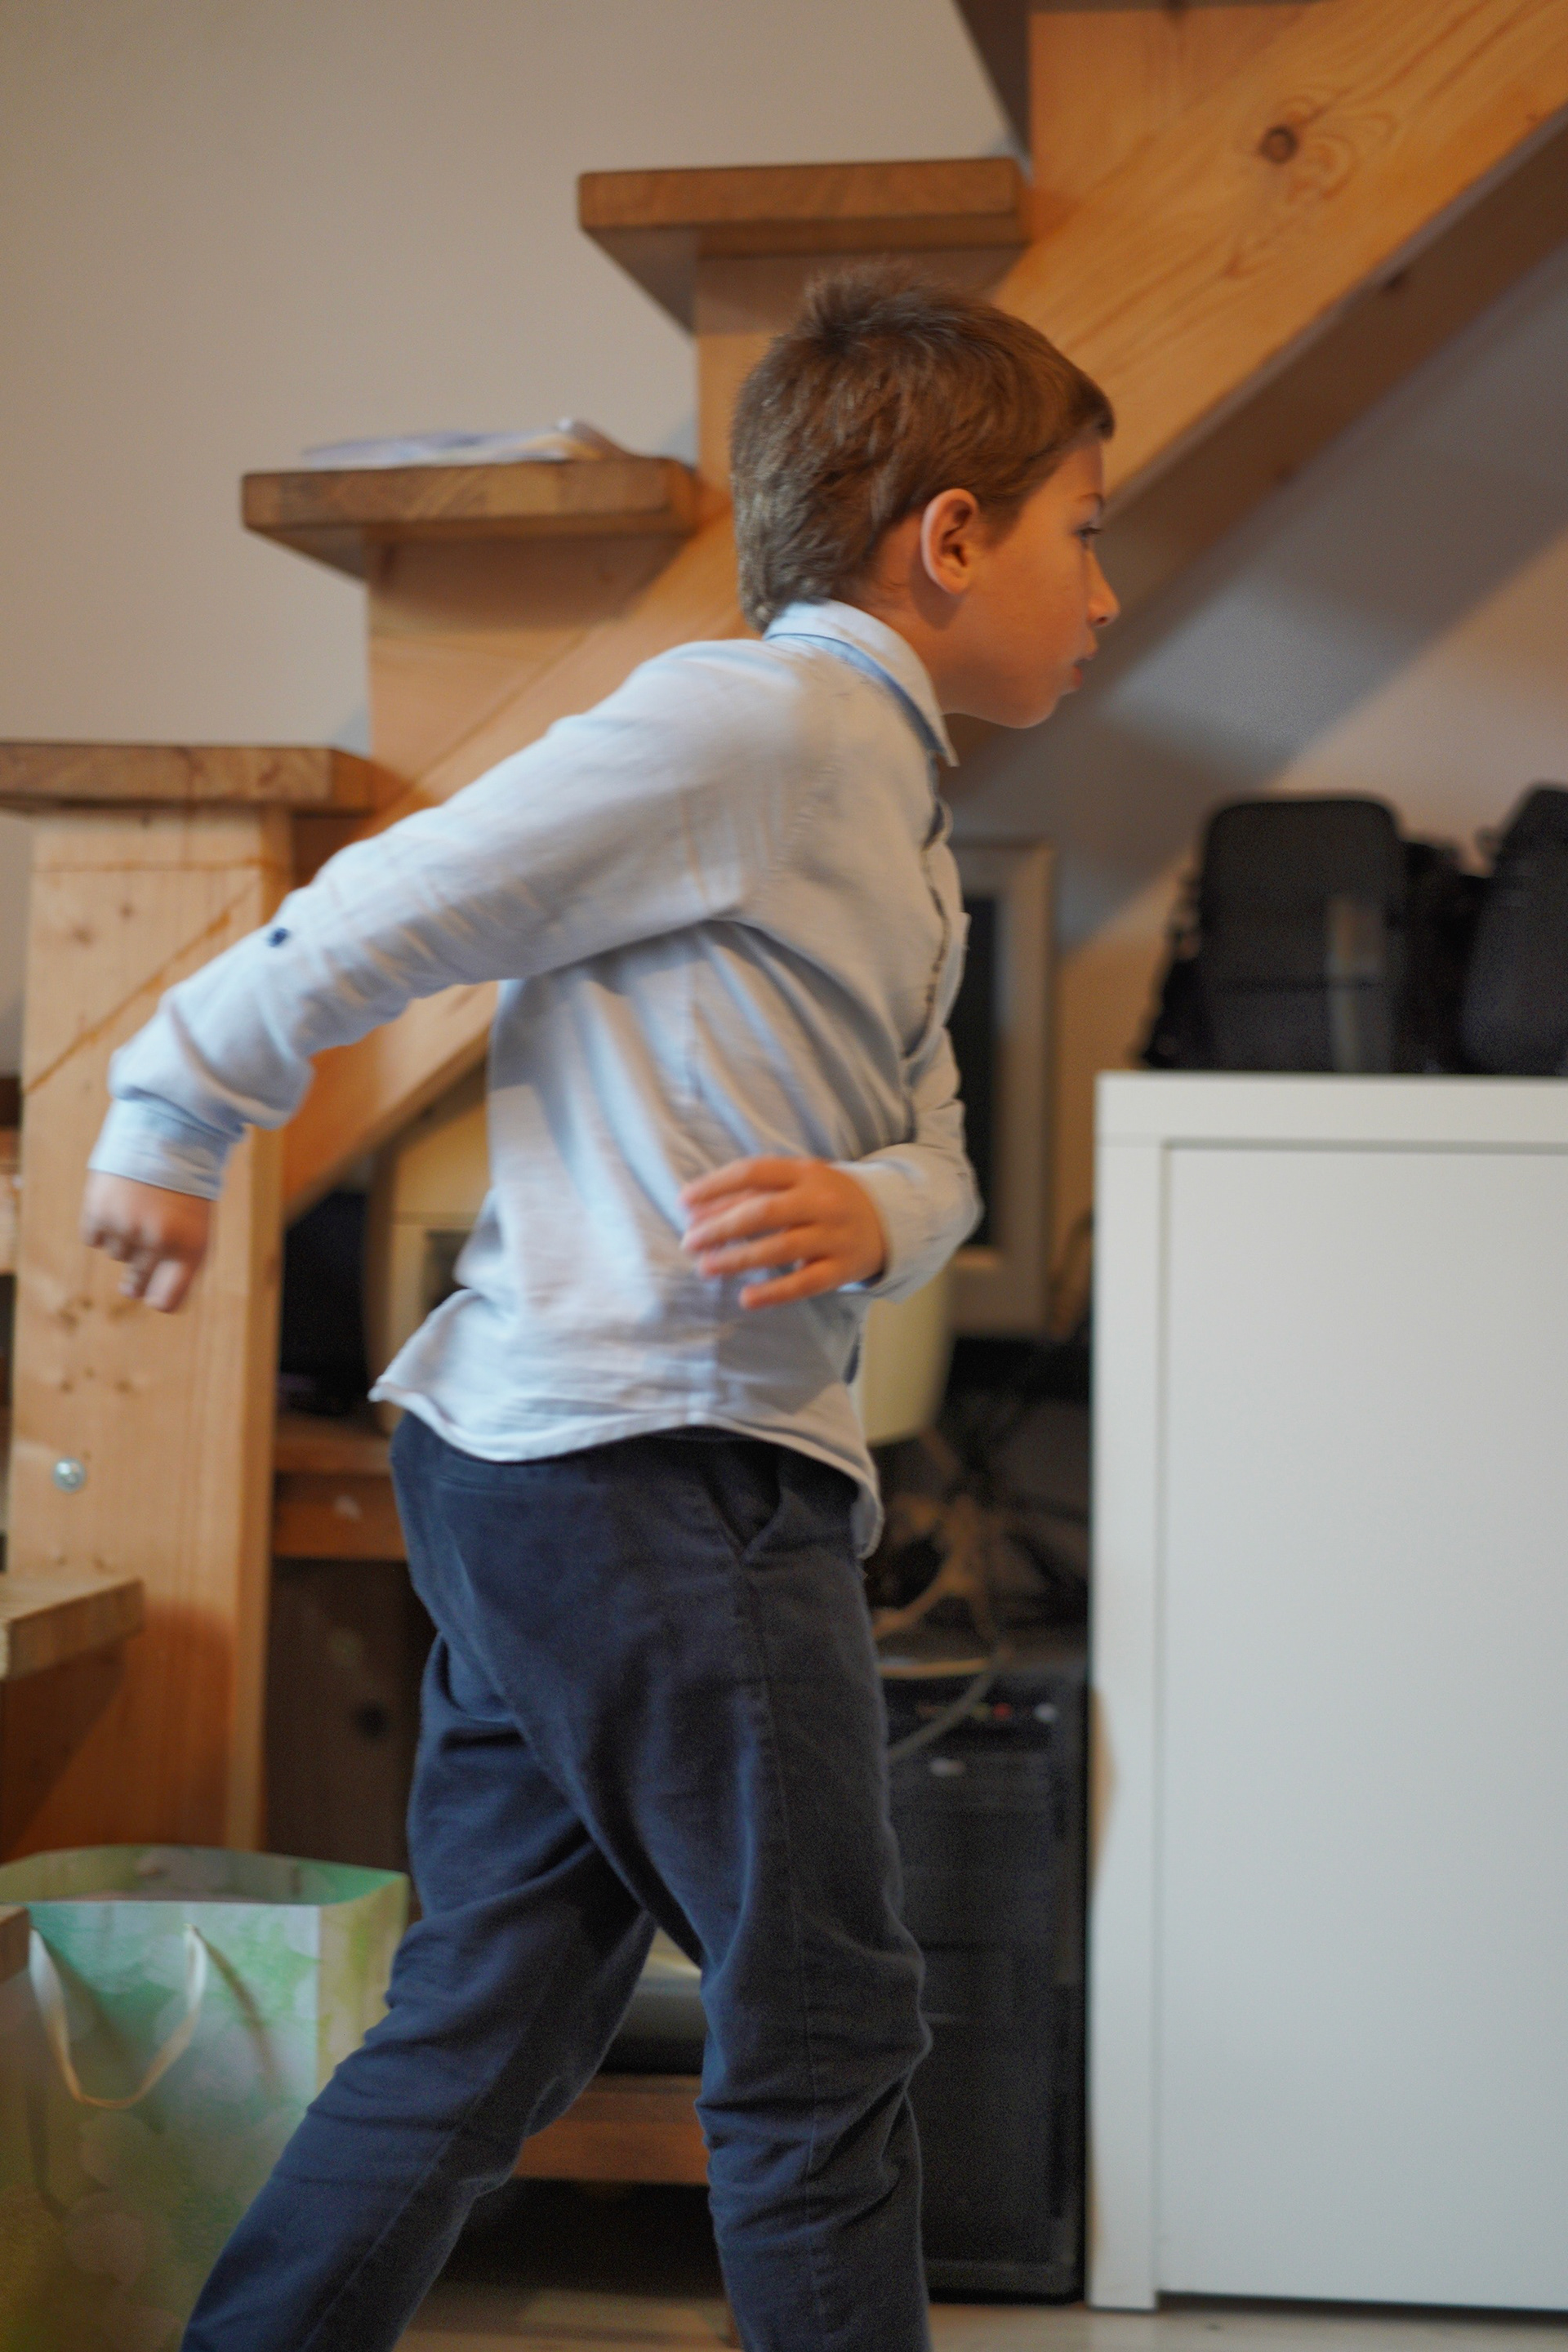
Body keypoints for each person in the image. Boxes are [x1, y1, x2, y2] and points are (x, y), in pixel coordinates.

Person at [80, 268, 1118, 2352]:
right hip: (656, 1466)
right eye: (1087, 533)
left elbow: (942, 1158)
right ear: (950, 537)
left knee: (491, 2016)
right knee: (823, 2021)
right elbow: (405, 896)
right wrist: (176, 1105)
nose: (1105, 590)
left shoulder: (898, 811)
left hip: (572, 1466)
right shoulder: (755, 725)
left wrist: (870, 1206)